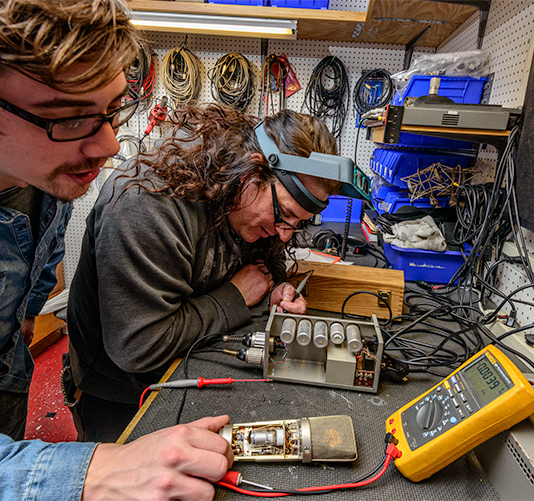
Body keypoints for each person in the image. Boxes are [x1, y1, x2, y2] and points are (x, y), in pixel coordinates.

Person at [0, 1, 232, 499]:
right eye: (68, 118)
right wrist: (96, 473)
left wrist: (23, 317)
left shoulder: (47, 163)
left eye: (113, 107)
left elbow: (38, 269)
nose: (109, 145)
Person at [65, 104, 343, 443]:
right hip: (122, 392)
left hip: (192, 363)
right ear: (252, 172)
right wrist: (236, 298)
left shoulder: (245, 199)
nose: (286, 234)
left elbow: (264, 254)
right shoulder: (146, 204)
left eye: (296, 224)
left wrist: (276, 286)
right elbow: (138, 347)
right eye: (283, 214)